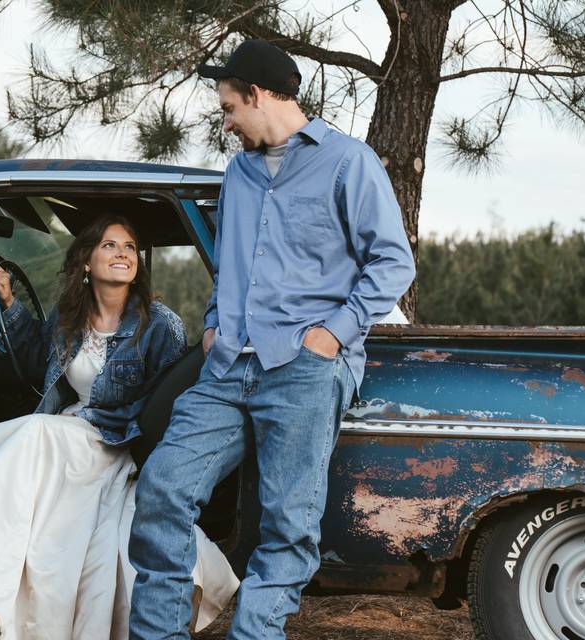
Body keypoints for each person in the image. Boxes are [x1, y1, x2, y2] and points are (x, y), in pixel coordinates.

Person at [128, 40, 416, 639]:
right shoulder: (238, 173)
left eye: (230, 107)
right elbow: (233, 266)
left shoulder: (349, 162)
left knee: (286, 526)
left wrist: (333, 335)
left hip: (304, 367)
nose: (227, 121)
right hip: (230, 364)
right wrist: (212, 324)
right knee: (162, 487)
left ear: (258, 96)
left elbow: (392, 263)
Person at [0, 215, 239, 639]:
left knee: (33, 433)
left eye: (128, 247)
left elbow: (164, 402)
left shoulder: (159, 324)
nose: (122, 253)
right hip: (68, 436)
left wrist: (94, 424)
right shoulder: (70, 319)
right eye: (108, 245)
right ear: (85, 261)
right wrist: (9, 303)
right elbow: (34, 361)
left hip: (116, 440)